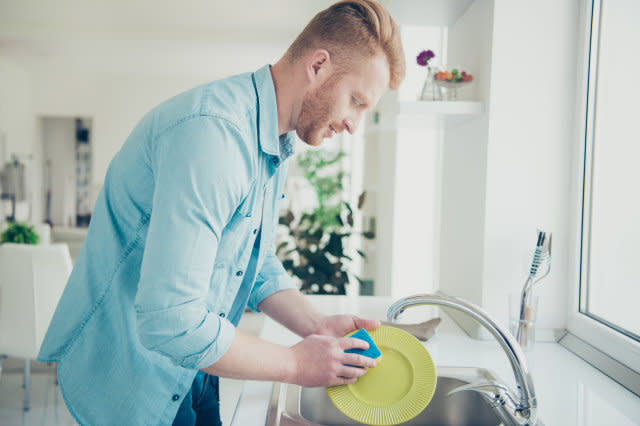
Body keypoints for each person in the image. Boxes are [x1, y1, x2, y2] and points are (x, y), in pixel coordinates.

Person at [37, 0, 406, 424]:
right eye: (356, 101)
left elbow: (255, 260)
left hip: (193, 368)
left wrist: (317, 326)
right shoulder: (215, 134)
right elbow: (170, 320)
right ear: (318, 66)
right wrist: (298, 364)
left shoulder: (271, 139)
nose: (354, 124)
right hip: (131, 379)